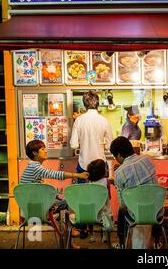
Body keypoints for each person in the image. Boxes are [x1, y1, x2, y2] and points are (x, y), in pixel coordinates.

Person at [21, 139, 89, 247]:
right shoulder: (35, 167)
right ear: (34, 153)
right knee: (66, 204)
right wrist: (77, 175)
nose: (46, 151)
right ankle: (68, 237)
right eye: (42, 149)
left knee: (60, 204)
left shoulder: (31, 167)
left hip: (29, 208)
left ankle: (66, 235)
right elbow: (54, 174)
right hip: (36, 210)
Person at [70, 90, 113, 238]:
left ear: (84, 103)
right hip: (101, 167)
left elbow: (73, 145)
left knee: (83, 197)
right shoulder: (104, 120)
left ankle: (83, 227)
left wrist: (84, 143)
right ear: (98, 103)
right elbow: (110, 144)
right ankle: (105, 226)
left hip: (83, 166)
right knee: (103, 197)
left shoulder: (79, 120)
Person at [109, 136, 162, 249]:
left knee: (121, 211)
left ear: (118, 155)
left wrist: (118, 183)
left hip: (137, 214)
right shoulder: (147, 159)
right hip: (156, 209)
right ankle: (156, 240)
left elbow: (123, 204)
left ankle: (122, 243)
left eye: (115, 156)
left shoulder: (119, 173)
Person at [86, 159, 113, 244]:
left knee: (89, 209)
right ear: (102, 171)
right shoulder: (106, 181)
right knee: (106, 208)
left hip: (90, 214)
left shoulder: (88, 181)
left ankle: (91, 235)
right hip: (103, 213)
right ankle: (105, 234)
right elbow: (109, 196)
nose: (107, 169)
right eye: (105, 168)